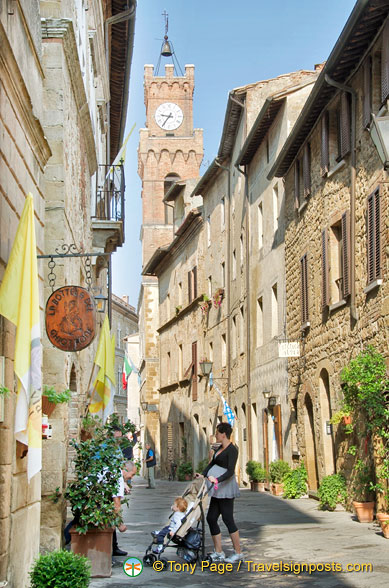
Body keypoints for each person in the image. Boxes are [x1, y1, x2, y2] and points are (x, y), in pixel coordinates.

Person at [195, 422, 243, 564]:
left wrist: (217, 479)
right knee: (211, 518)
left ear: (223, 434)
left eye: (217, 433)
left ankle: (238, 552)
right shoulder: (219, 448)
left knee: (228, 519)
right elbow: (212, 464)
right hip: (216, 489)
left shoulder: (232, 450)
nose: (215, 435)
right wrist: (203, 474)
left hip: (225, 487)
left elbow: (230, 470)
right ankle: (218, 551)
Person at [112, 460, 137, 556]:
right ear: (126, 470)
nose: (132, 477)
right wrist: (120, 524)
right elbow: (116, 504)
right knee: (111, 518)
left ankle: (114, 547)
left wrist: (124, 484)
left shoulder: (115, 472)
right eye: (132, 474)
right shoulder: (118, 478)